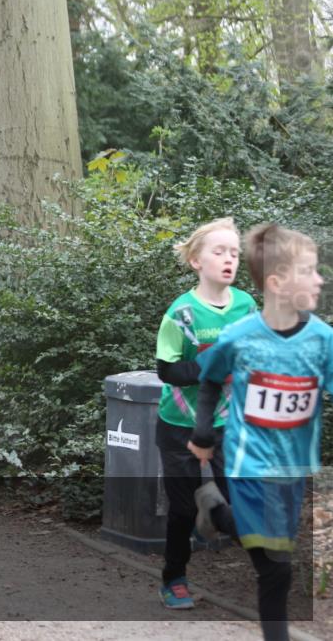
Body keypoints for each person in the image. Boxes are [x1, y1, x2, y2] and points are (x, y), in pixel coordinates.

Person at [190, 223, 332, 641]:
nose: (319, 280)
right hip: (247, 462)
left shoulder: (323, 339)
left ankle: (216, 512)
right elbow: (209, 380)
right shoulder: (239, 337)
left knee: (273, 553)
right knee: (275, 568)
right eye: (308, 271)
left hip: (293, 468)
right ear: (276, 283)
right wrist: (203, 433)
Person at [153, 217, 257, 609]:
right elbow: (167, 372)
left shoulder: (246, 306)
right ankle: (174, 579)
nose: (230, 259)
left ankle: (213, 516)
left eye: (235, 253)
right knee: (181, 510)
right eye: (220, 251)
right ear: (197, 261)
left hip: (227, 424)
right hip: (180, 426)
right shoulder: (180, 314)